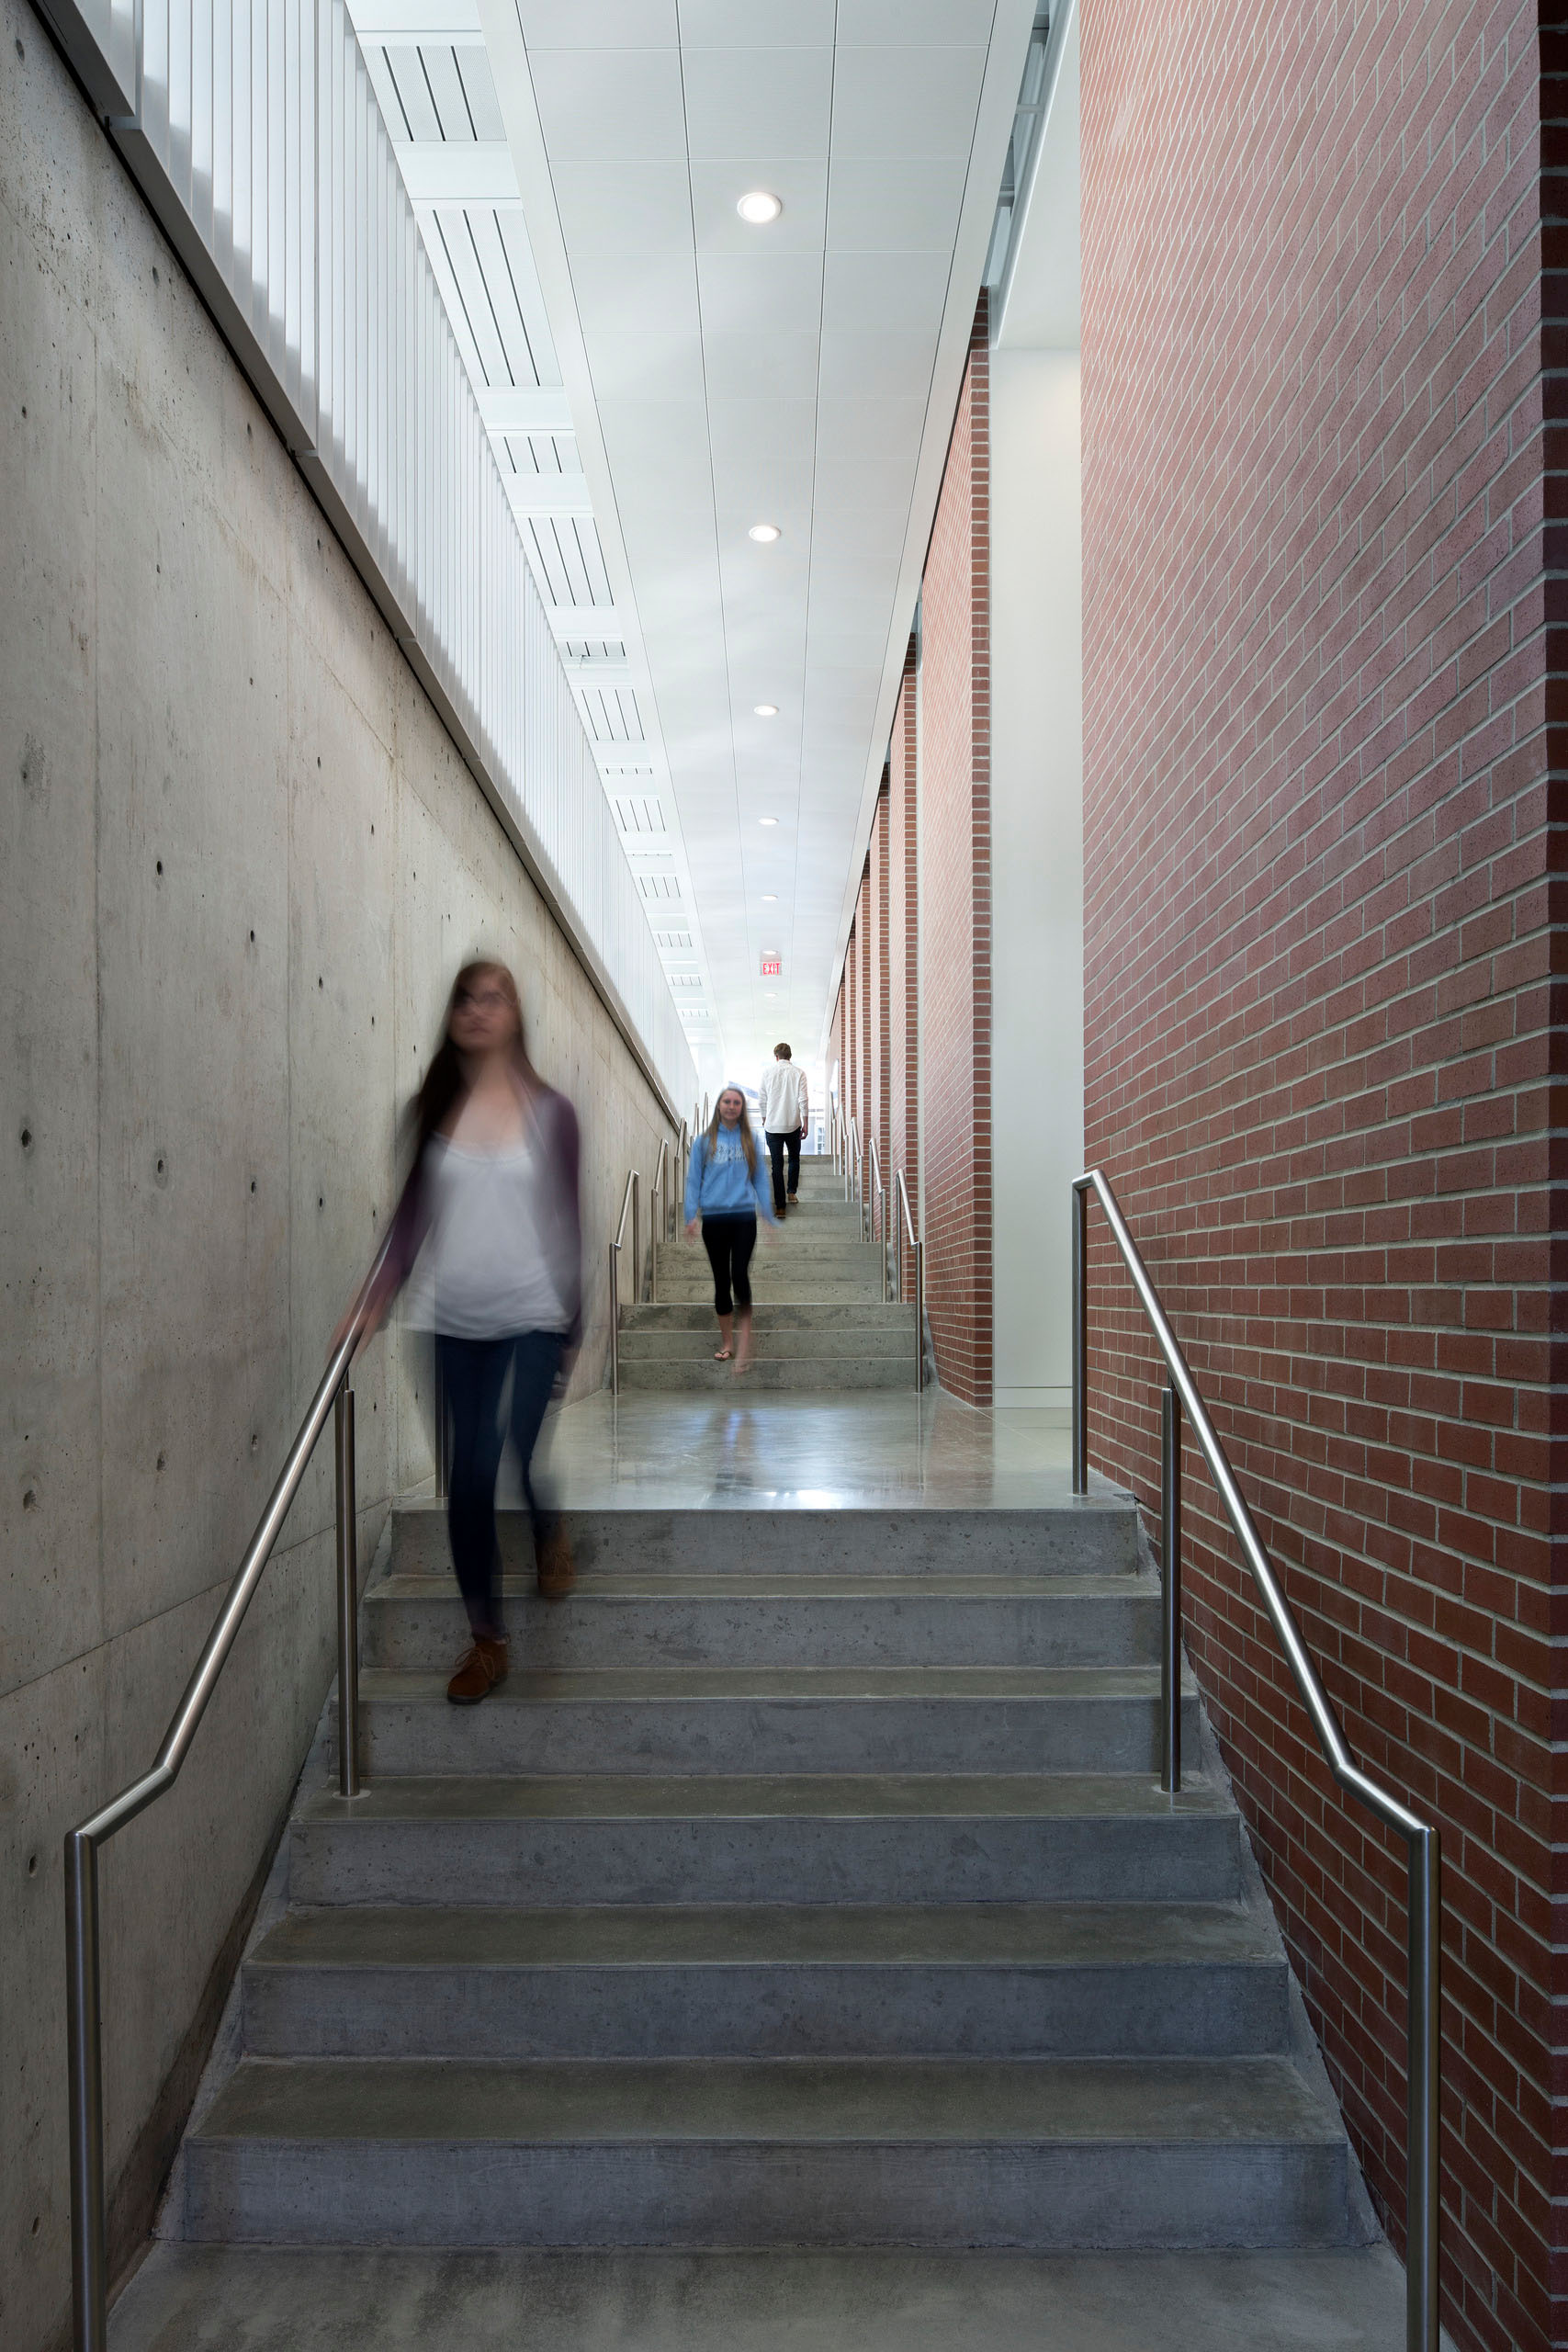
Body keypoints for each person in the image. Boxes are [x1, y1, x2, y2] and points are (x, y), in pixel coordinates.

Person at [353, 960, 582, 1706]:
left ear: (515, 1015)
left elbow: (565, 1222)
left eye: (494, 999)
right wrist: (374, 1298)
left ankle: (548, 1529)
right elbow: (410, 1219)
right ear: (452, 1015)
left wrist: (572, 1324)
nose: (479, 1011)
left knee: (517, 1448)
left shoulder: (551, 1112)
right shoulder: (432, 1109)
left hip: (533, 1314)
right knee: (471, 1479)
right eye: (466, 1000)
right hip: (452, 1321)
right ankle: (488, 1642)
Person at [683, 1085, 775, 1374]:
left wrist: (768, 1216)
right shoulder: (704, 1141)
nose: (732, 1106)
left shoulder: (751, 1140)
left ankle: (745, 1343)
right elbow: (693, 1179)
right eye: (727, 1101)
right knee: (722, 1280)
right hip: (714, 1219)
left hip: (744, 1218)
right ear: (719, 1105)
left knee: (739, 1275)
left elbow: (761, 1179)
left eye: (737, 1102)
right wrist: (690, 1215)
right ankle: (728, 1343)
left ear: (741, 1108)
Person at [759, 1043, 809, 1218]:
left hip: (772, 1126)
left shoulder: (767, 1073)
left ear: (776, 1057)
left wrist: (765, 1118)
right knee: (794, 1159)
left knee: (777, 1166)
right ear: (790, 1056)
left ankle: (780, 1207)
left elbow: (762, 1099)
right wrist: (806, 1123)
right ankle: (791, 1192)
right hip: (793, 1124)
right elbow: (803, 1100)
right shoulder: (799, 1073)